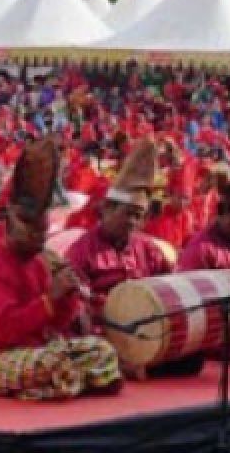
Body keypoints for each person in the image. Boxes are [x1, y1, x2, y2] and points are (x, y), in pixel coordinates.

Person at [0, 138, 122, 400]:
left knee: (102, 350)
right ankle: (67, 382)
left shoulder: (40, 263)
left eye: (43, 234)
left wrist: (69, 297)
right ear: (12, 228)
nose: (41, 240)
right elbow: (7, 330)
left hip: (37, 348)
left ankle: (59, 385)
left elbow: (56, 324)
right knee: (52, 363)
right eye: (35, 234)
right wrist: (49, 299)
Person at [65, 139, 173, 329]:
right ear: (107, 209)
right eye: (128, 213)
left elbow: (169, 285)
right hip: (105, 330)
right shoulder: (81, 251)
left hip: (149, 331)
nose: (132, 221)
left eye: (138, 216)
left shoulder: (149, 249)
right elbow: (76, 305)